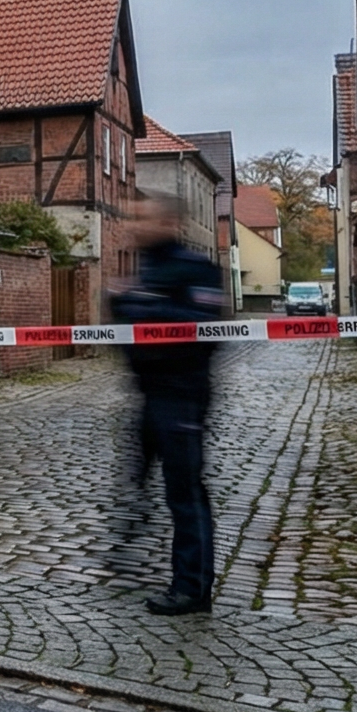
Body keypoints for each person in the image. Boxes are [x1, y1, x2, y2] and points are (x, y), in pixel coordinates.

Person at [109, 193, 226, 615]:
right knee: (135, 477)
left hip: (183, 396)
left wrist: (148, 310)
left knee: (185, 491)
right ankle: (124, 545)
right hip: (148, 394)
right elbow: (126, 328)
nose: (134, 226)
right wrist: (123, 305)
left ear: (169, 223)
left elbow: (206, 330)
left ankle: (193, 589)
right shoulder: (145, 270)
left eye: (143, 219)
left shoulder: (196, 269)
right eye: (132, 218)